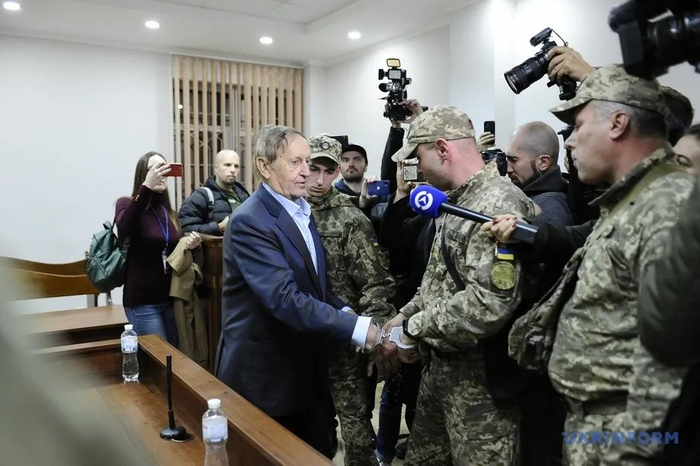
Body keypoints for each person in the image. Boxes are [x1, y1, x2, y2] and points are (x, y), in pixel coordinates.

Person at [491, 64, 694, 466]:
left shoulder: (667, 206)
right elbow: (578, 240)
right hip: (596, 427)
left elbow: (677, 361)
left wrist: (636, 450)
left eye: (579, 126)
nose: (570, 141)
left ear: (618, 123)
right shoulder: (632, 201)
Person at [214, 125, 391, 458]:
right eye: (295, 162)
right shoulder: (250, 221)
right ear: (265, 166)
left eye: (308, 162)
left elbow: (313, 285)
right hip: (267, 376)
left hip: (305, 368)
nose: (307, 172)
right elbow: (284, 299)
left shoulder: (300, 210)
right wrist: (357, 328)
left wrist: (344, 309)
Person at [383, 106, 536, 465]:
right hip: (441, 374)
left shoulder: (499, 202)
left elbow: (488, 304)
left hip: (481, 389)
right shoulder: (458, 201)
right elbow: (439, 280)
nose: (418, 169)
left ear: (442, 149)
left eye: (419, 157)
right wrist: (404, 315)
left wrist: (415, 328)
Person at [306, 134, 396, 466]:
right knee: (308, 430)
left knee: (357, 435)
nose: (319, 180)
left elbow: (377, 284)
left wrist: (374, 338)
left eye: (327, 171)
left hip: (345, 343)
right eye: (313, 169)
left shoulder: (350, 218)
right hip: (302, 341)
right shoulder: (287, 213)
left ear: (337, 172)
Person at [116, 151, 201, 346]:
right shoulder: (126, 204)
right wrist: (145, 187)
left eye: (165, 169)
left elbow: (173, 252)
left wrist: (190, 246)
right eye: (155, 169)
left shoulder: (167, 212)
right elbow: (125, 228)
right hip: (142, 301)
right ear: (144, 174)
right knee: (160, 359)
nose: (162, 174)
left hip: (168, 298)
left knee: (175, 356)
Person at [505, 121, 573, 226]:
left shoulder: (551, 204)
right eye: (507, 159)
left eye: (514, 160)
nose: (508, 169)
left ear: (543, 162)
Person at [178, 149, 250, 235]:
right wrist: (218, 227)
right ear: (216, 168)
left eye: (236, 166)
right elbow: (186, 229)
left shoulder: (244, 196)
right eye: (227, 165)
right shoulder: (201, 196)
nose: (233, 170)